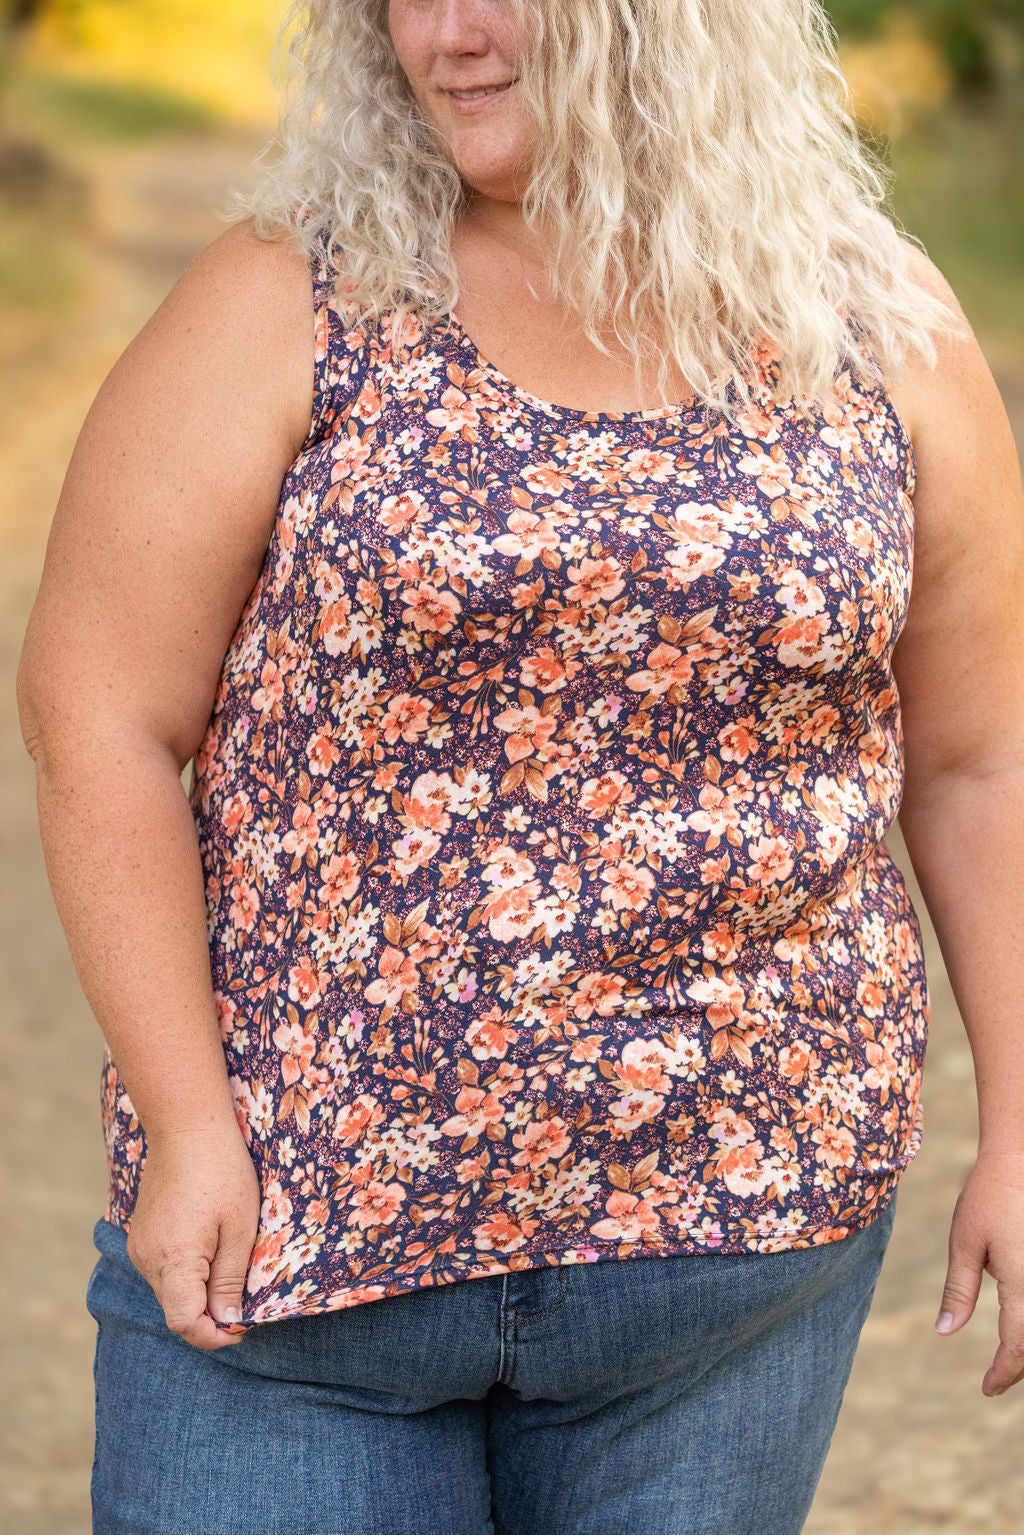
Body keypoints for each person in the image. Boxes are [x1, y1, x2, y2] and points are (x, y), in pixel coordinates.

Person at [16, 0, 1024, 1531]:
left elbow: (980, 760)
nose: (450, 36)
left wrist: (1020, 1126)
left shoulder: (876, 330)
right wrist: (190, 1120)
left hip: (729, 1280)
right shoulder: (296, 302)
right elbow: (97, 710)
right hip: (300, 1266)